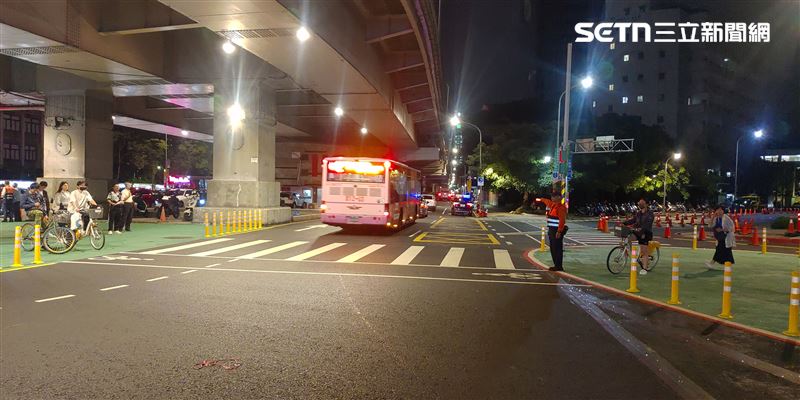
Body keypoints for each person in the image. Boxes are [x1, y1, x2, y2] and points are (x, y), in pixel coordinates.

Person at [535, 192, 567, 271]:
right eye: (552, 197)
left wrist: (559, 231)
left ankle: (558, 266)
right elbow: (546, 201)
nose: (552, 198)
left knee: (557, 248)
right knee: (553, 248)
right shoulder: (552, 205)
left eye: (554, 197)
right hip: (551, 229)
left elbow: (562, 220)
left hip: (557, 230)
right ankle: (556, 264)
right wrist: (540, 199)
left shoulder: (560, 207)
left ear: (559, 197)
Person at [623, 198, 655, 273]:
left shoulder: (650, 214)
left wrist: (641, 229)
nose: (640, 204)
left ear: (646, 204)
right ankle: (634, 256)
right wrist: (625, 223)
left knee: (644, 251)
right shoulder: (638, 213)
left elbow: (648, 224)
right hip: (638, 232)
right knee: (628, 238)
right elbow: (633, 220)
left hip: (646, 233)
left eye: (642, 203)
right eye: (639, 203)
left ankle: (645, 268)